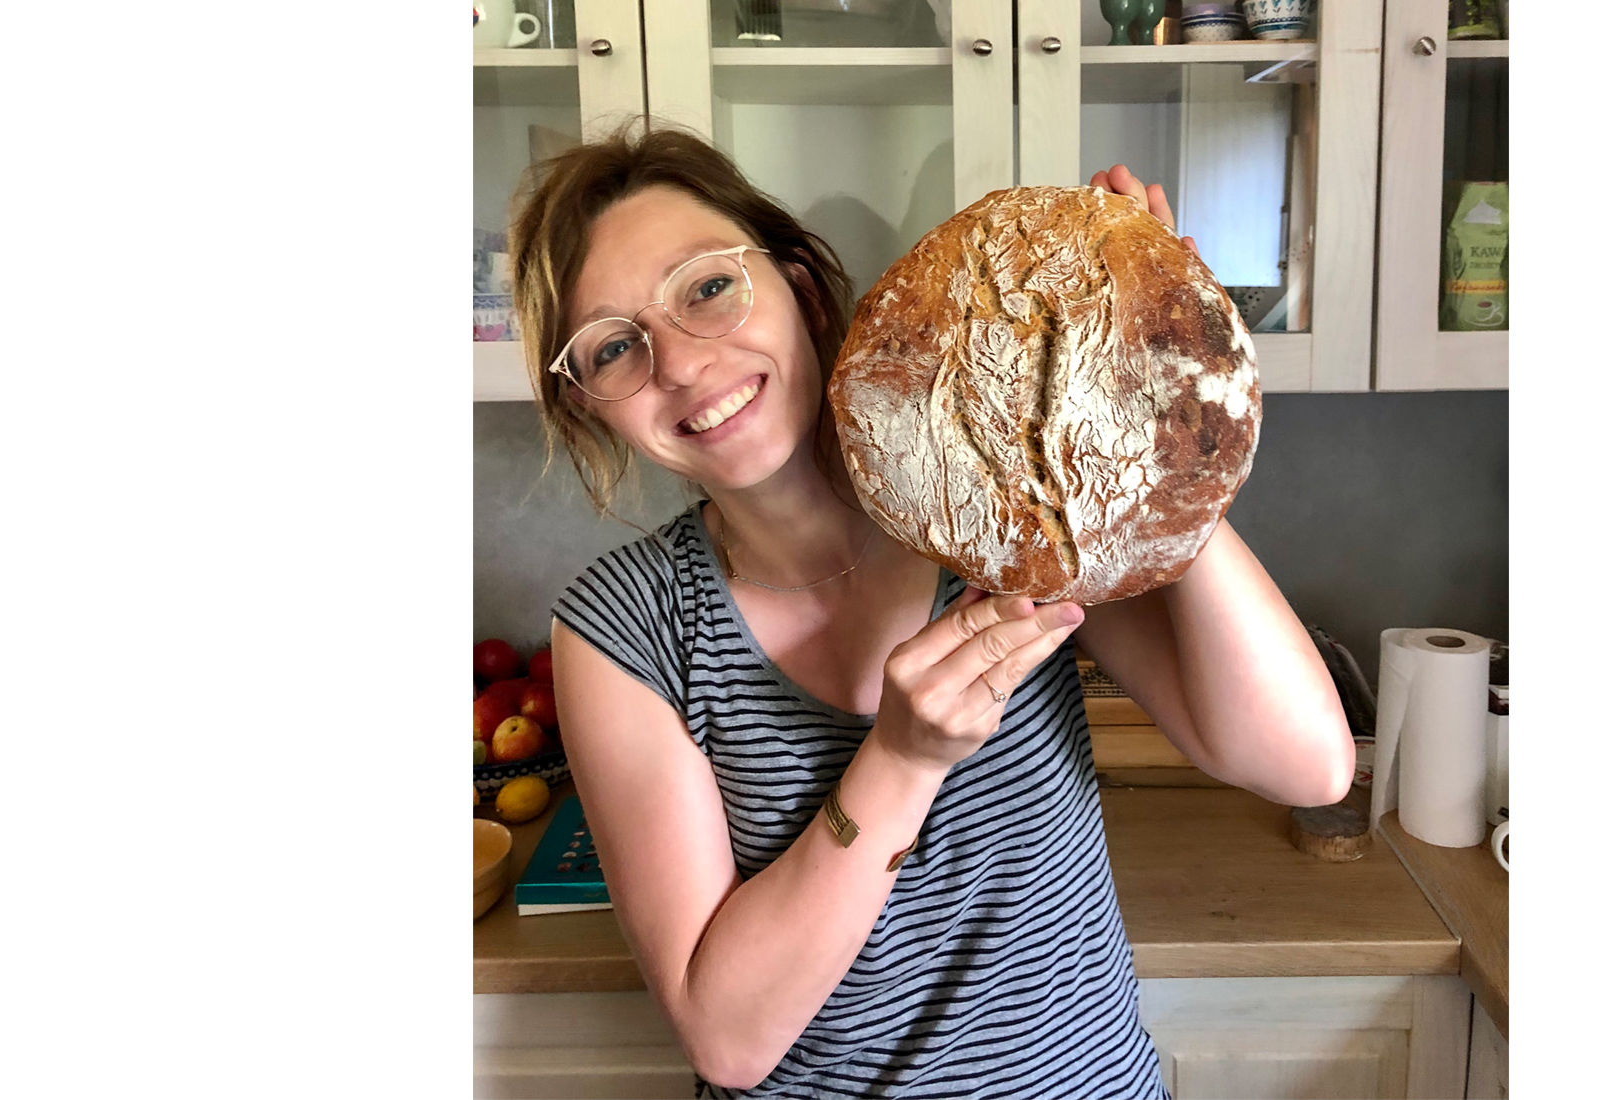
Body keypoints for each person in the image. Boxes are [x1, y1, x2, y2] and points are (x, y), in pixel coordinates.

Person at [508, 116, 1354, 1099]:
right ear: (589, 402)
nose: (683, 364)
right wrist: (902, 760)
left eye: (706, 288)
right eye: (615, 347)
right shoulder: (625, 625)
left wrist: (1148, 411)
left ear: (801, 288)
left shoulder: (1007, 518)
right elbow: (727, 1038)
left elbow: (1308, 765)